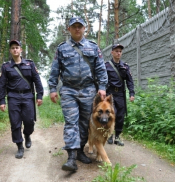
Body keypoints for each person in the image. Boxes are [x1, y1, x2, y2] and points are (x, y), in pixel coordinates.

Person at [48, 17, 108, 171]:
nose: (77, 29)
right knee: (71, 122)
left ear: (84, 28)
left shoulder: (93, 47)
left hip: (88, 90)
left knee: (84, 123)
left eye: (79, 26)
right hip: (69, 90)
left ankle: (80, 150)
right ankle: (71, 157)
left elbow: (101, 68)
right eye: (73, 26)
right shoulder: (62, 48)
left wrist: (102, 87)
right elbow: (55, 70)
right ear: (69, 29)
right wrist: (53, 89)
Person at [0, 40, 43, 159]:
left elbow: (37, 80)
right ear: (10, 51)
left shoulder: (30, 64)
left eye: (17, 47)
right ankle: (19, 146)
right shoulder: (6, 66)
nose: (15, 50)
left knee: (29, 121)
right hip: (13, 97)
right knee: (15, 123)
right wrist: (1, 101)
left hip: (28, 96)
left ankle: (27, 134)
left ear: (21, 50)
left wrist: (39, 96)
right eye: (13, 48)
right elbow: (1, 85)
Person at [105, 44, 135, 146]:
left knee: (120, 116)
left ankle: (117, 137)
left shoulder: (125, 66)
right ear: (112, 52)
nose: (118, 53)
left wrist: (132, 93)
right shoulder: (106, 66)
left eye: (120, 51)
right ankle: (109, 134)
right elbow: (102, 80)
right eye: (116, 51)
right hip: (110, 94)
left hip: (121, 95)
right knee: (112, 114)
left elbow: (130, 81)